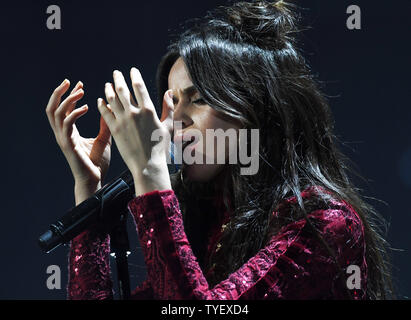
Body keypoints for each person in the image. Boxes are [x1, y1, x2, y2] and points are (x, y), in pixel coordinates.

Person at [45, 0, 394, 299]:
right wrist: (90, 189)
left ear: (255, 109)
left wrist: (150, 172)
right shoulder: (210, 221)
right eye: (173, 100)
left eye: (197, 99)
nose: (173, 122)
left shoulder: (325, 224)